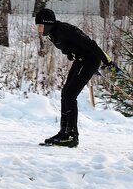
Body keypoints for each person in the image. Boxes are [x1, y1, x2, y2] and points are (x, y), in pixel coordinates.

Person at [35, 8, 113, 147]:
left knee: (70, 95)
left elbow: (91, 44)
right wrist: (71, 53)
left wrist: (108, 62)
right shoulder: (53, 34)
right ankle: (64, 132)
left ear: (48, 24)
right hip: (81, 60)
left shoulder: (65, 30)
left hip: (90, 60)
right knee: (65, 93)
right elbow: (72, 46)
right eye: (38, 26)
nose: (39, 29)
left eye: (41, 26)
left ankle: (72, 135)